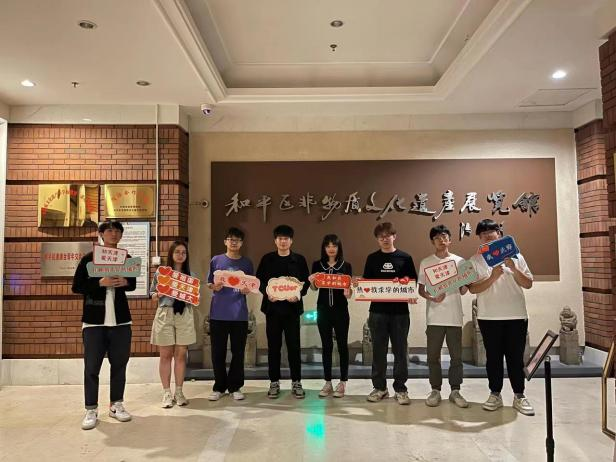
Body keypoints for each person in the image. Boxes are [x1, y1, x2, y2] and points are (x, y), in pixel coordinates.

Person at [72, 221, 136, 430]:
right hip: (93, 322)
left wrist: (125, 283)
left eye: (117, 231)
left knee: (119, 365)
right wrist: (100, 283)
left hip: (121, 321)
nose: (114, 234)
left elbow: (133, 283)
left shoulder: (126, 258)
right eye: (109, 230)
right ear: (101, 234)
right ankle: (91, 408)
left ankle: (116, 405)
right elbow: (77, 286)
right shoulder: (89, 259)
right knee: (92, 367)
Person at [468, 219, 535, 416]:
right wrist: (493, 277)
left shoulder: (517, 256)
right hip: (488, 317)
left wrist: (514, 268)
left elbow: (528, 283)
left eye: (492, 231)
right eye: (483, 233)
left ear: (499, 233)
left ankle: (519, 395)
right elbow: (473, 289)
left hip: (516, 315)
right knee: (493, 358)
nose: (488, 235)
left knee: (516, 358)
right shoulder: (475, 260)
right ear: (479, 238)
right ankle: (495, 394)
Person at [360, 222, 417, 405]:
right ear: (377, 239)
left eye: (388, 235)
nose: (385, 239)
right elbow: (367, 282)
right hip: (377, 312)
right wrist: (359, 284)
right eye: (381, 237)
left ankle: (400, 389)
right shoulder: (372, 258)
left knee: (400, 351)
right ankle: (380, 388)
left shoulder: (405, 258)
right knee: (378, 351)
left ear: (394, 236)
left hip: (400, 313)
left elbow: (412, 282)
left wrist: (406, 285)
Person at [417, 225, 469, 408]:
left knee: (456, 357)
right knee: (433, 356)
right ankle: (435, 390)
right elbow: (421, 290)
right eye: (437, 237)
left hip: (454, 316)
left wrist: (466, 282)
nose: (441, 240)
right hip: (434, 317)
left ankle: (455, 391)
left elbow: (463, 290)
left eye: (444, 236)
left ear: (450, 239)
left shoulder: (460, 261)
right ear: (432, 241)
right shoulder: (426, 262)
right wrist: (433, 297)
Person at [256, 224, 310, 399]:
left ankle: (296, 382)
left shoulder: (299, 260)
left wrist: (298, 294)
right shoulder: (267, 259)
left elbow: (305, 283)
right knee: (274, 348)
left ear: (291, 241)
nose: (283, 241)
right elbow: (259, 281)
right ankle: (274, 382)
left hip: (292, 310)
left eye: (286, 238)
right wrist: (267, 293)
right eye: (280, 238)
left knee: (294, 347)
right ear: (275, 240)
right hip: (272, 310)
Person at [206, 227, 254, 401]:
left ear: (242, 243)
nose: (234, 243)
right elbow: (209, 283)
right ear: (225, 241)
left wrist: (247, 289)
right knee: (217, 353)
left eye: (237, 240)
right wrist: (214, 286)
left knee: (238, 352)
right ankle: (219, 386)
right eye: (231, 239)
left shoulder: (247, 263)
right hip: (218, 314)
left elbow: (251, 285)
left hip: (239, 314)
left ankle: (235, 386)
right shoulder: (216, 260)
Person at [150, 241, 197, 408]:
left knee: (181, 354)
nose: (180, 255)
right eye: (177, 252)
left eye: (183, 252)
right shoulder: (162, 272)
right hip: (165, 313)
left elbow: (195, 297)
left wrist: (191, 295)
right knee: (165, 354)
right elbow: (152, 295)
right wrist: (159, 293)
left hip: (184, 313)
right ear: (171, 254)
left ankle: (179, 391)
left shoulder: (190, 275)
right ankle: (166, 393)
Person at [308, 234, 352, 398]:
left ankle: (343, 382)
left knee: (342, 346)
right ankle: (328, 382)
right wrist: (311, 281)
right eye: (328, 246)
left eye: (334, 245)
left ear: (339, 248)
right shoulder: (317, 265)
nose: (331, 248)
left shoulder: (346, 266)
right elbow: (314, 288)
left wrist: (348, 292)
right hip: (323, 310)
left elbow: (349, 293)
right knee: (326, 346)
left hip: (341, 310)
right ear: (324, 248)